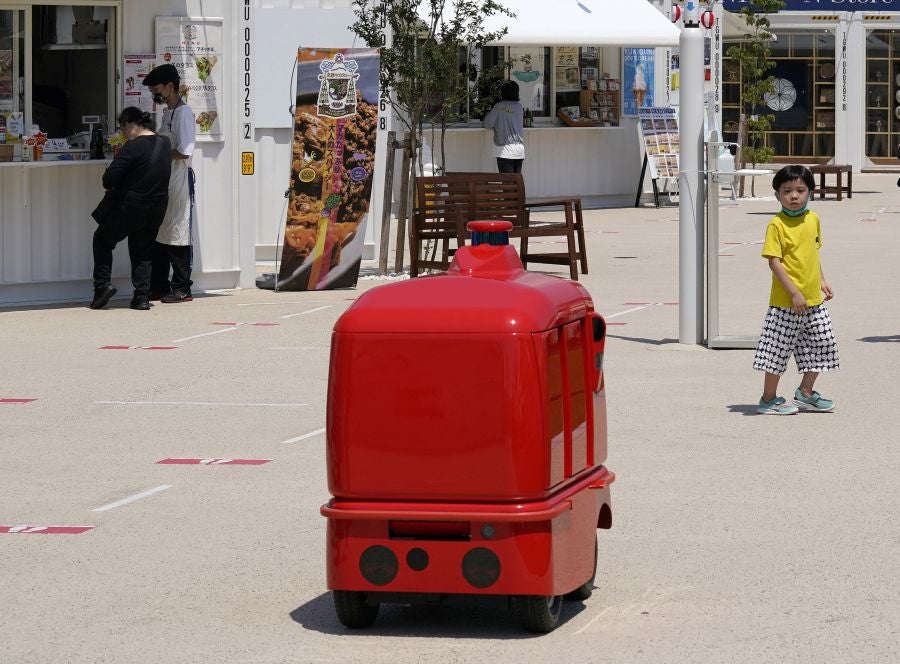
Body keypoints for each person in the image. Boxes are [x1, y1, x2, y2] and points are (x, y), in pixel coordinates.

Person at [753, 165, 839, 415]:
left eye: (800, 190)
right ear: (778, 194)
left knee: (824, 345)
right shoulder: (776, 225)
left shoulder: (813, 219)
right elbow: (774, 262)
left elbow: (813, 252)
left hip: (813, 301)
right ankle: (768, 400)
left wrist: (821, 280)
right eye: (787, 190)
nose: (794, 196)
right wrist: (793, 292)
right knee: (776, 353)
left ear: (810, 192)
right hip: (785, 303)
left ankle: (805, 393)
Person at [90, 107, 171, 311]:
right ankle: (142, 297)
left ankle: (102, 287)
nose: (122, 134)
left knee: (102, 240)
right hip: (157, 207)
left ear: (129, 124)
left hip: (130, 207)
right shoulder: (165, 143)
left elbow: (109, 180)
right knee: (142, 250)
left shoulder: (132, 147)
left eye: (122, 129)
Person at [143, 63, 197, 303]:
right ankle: (159, 285)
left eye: (157, 89)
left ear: (170, 86)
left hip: (179, 179)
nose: (155, 94)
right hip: (164, 179)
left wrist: (159, 152)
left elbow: (185, 151)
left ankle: (182, 287)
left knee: (178, 232)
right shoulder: (167, 112)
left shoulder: (184, 113)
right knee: (161, 232)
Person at [483, 80, 525, 174]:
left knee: (507, 185)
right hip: (519, 151)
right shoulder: (519, 107)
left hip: (505, 151)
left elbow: (487, 124)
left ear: (502, 92)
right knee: (516, 184)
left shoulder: (499, 106)